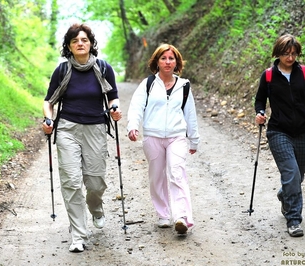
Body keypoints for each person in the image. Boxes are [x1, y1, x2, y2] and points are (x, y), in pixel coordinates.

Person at [42, 23, 122, 252]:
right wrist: (48, 120)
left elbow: (113, 96)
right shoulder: (62, 70)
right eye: (75, 40)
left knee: (95, 182)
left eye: (84, 40)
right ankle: (78, 235)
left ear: (91, 43)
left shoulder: (104, 68)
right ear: (69, 45)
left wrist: (115, 108)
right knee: (71, 183)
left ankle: (96, 207)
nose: (80, 43)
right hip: (67, 129)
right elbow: (49, 101)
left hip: (95, 128)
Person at [254, 34, 305, 237]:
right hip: (278, 131)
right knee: (291, 174)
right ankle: (294, 219)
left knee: (298, 176)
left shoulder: (304, 73)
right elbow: (260, 101)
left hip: (302, 132)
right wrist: (260, 114)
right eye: (286, 54)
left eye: (293, 53)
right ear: (278, 53)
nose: (290, 58)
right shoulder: (269, 75)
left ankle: (284, 194)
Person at [127, 44, 199, 235]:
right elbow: (136, 107)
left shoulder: (184, 86)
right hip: (153, 136)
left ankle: (181, 217)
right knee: (156, 177)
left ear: (177, 62)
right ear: (156, 61)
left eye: (171, 58)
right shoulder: (148, 84)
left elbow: (190, 114)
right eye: (163, 58)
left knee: (177, 173)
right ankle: (163, 215)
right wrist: (133, 125)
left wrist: (194, 140)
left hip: (177, 137)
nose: (168, 62)